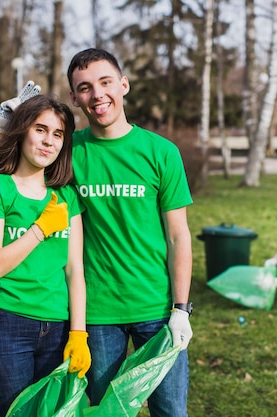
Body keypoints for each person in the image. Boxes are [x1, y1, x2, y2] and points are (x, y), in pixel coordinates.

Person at [66, 48, 193, 416]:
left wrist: (181, 309)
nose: (97, 95)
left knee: (170, 410)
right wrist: (6, 129)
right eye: (85, 88)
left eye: (106, 82)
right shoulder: (67, 153)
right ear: (75, 98)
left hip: (157, 308)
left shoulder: (160, 152)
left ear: (123, 84)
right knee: (106, 411)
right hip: (97, 312)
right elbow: (6, 186)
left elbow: (178, 235)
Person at [0, 94, 90, 417]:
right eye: (41, 129)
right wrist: (40, 229)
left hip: (57, 328)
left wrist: (78, 334)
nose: (48, 141)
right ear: (23, 130)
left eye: (57, 134)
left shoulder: (66, 196)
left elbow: (75, 270)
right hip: (5, 325)